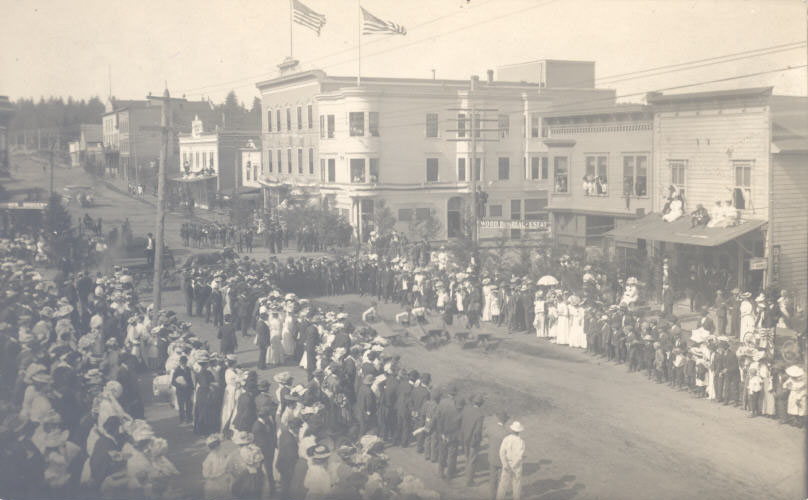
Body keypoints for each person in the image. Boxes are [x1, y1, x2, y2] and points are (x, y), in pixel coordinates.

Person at [497, 420, 526, 500]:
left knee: (503, 484)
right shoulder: (521, 442)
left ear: (512, 430)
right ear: (519, 431)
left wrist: (505, 464)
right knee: (516, 484)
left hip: (507, 464)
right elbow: (519, 457)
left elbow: (501, 452)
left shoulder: (506, 439)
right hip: (516, 466)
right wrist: (513, 466)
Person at [460, 394, 485, 486]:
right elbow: (477, 431)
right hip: (472, 441)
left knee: (467, 457)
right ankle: (469, 481)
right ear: (481, 404)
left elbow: (461, 422)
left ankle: (467, 474)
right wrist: (476, 443)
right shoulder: (480, 415)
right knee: (472, 460)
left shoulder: (466, 409)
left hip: (464, 438)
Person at [485, 411, 509, 500]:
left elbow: (485, 434)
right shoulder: (506, 434)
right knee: (501, 480)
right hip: (501, 460)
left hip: (492, 457)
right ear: (505, 421)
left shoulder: (491, 428)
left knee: (492, 478)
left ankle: (492, 496)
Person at [202, 434, 230, 499]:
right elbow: (206, 474)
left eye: (217, 444)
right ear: (210, 447)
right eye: (213, 446)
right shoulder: (209, 459)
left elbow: (228, 462)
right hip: (214, 481)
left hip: (225, 478)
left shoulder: (224, 453)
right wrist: (214, 476)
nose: (216, 447)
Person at [172, 356, 193, 424]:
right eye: (182, 362)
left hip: (188, 390)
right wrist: (180, 385)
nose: (184, 363)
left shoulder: (188, 369)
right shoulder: (177, 370)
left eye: (185, 362)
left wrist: (191, 387)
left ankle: (189, 418)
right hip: (180, 391)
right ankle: (182, 419)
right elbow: (173, 382)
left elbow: (191, 379)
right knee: (181, 405)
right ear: (180, 362)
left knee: (189, 405)